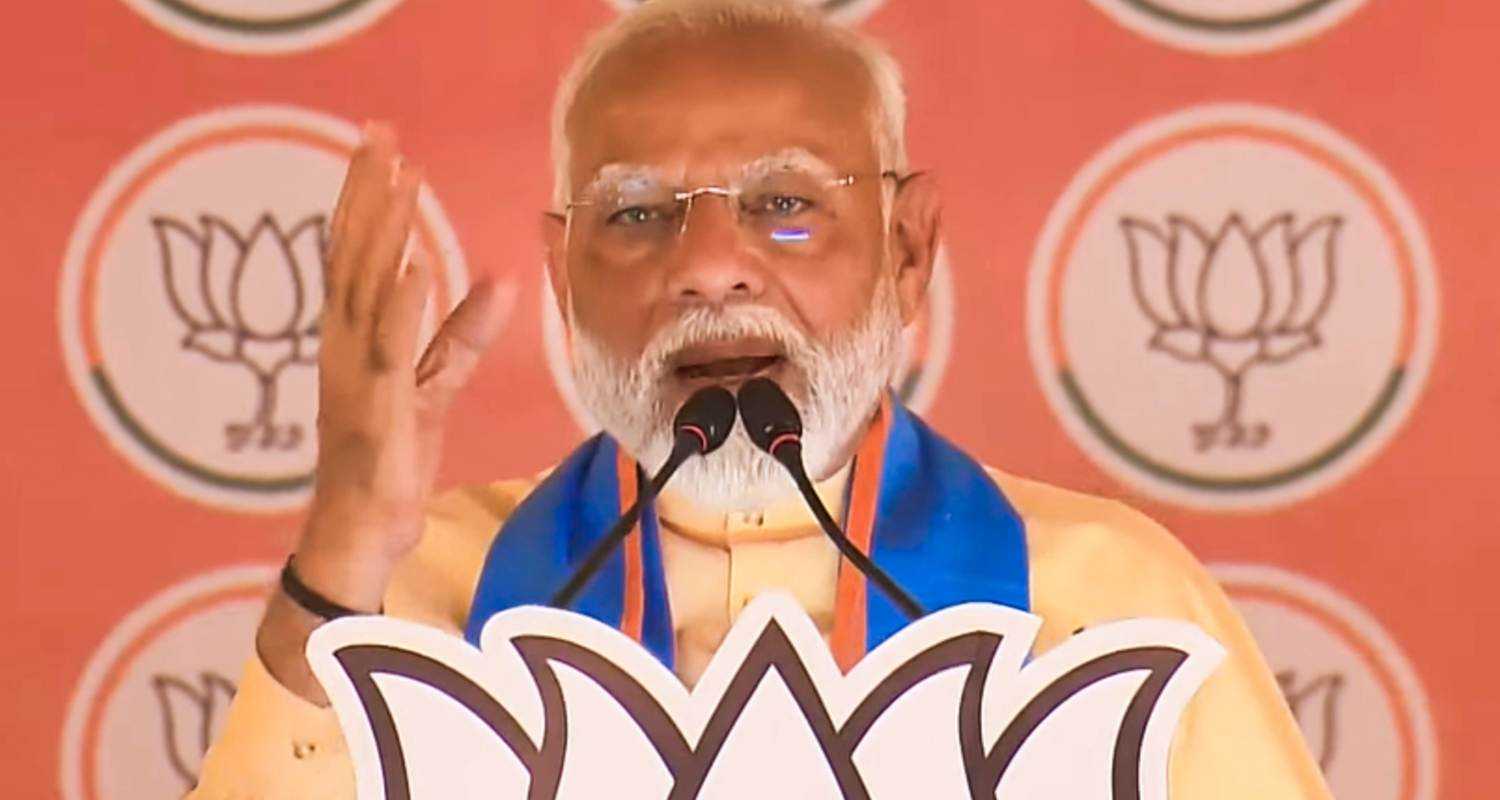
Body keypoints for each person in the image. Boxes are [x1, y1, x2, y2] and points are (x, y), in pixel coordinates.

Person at [188, 0, 1332, 796]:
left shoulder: (1115, 603)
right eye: (636, 211)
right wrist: (342, 547)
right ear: (561, 275)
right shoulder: (399, 590)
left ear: (910, 249)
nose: (708, 263)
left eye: (786, 202)